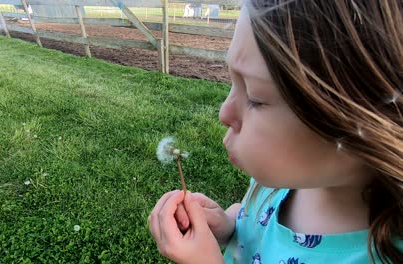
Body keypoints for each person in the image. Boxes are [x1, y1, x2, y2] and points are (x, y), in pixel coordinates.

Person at [148, 0, 402, 263]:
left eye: (256, 97)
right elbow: (254, 222)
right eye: (231, 81)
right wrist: (227, 226)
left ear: (362, 125)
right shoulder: (282, 182)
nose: (224, 113)